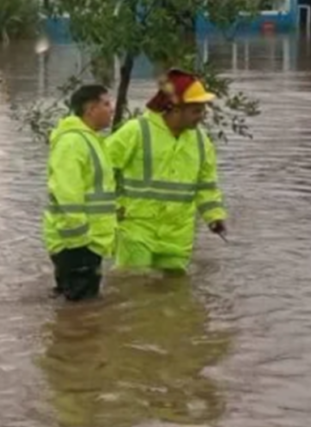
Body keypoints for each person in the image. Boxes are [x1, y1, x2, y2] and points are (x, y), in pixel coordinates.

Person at [105, 69, 228, 275]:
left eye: (202, 110)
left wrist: (214, 216)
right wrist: (113, 205)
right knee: (133, 288)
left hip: (178, 234)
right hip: (137, 229)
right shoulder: (136, 131)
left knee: (176, 292)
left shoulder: (201, 141)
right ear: (175, 108)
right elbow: (100, 168)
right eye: (196, 111)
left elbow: (206, 185)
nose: (202, 116)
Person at [44, 84, 117, 301]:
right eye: (106, 104)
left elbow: (94, 189)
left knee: (78, 308)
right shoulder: (73, 142)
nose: (111, 109)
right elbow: (68, 193)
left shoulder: (90, 140)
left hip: (87, 242)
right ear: (90, 109)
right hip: (77, 243)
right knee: (81, 311)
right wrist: (79, 240)